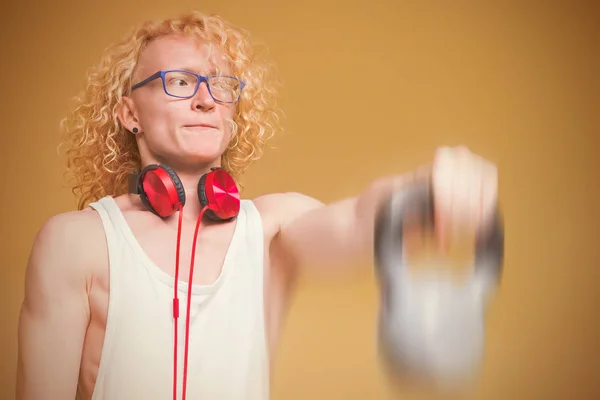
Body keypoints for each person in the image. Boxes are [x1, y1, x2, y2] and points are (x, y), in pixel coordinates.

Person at [16, 10, 499, 400]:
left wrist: (424, 190)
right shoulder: (74, 241)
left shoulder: (270, 230)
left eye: (221, 86)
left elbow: (357, 220)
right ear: (128, 113)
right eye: (179, 82)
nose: (206, 99)